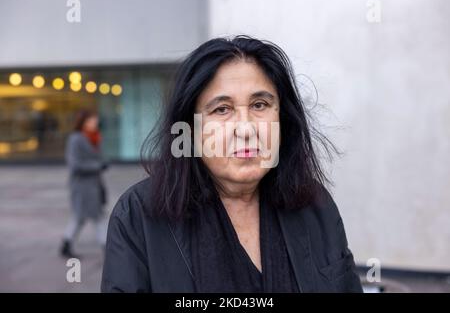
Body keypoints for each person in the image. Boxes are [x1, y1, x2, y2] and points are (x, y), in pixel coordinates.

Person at [101, 36, 363, 293]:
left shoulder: (314, 204)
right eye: (222, 110)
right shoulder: (138, 217)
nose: (246, 129)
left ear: (282, 119)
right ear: (190, 129)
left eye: (260, 105)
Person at [60, 109, 108, 258]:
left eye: (95, 119)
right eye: (91, 120)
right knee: (96, 218)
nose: (95, 122)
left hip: (94, 185)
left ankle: (66, 244)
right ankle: (108, 248)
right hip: (82, 186)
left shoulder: (94, 137)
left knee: (80, 218)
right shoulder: (76, 139)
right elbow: (74, 165)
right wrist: (98, 166)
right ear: (83, 122)